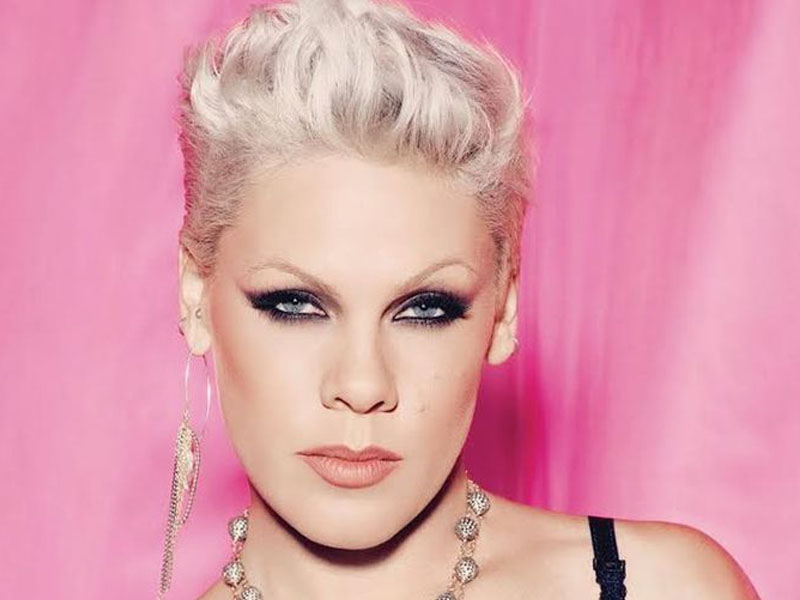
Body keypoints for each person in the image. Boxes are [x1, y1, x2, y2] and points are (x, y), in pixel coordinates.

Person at [159, 0, 760, 598]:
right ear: (195, 296)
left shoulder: (667, 586)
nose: (363, 386)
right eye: (295, 305)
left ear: (503, 308)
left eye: (425, 309)